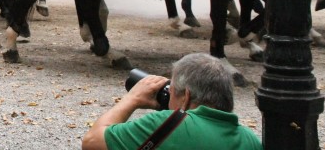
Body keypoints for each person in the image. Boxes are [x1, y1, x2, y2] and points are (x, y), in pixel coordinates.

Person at [81, 53, 262, 150]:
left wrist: (132, 99)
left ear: (187, 96)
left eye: (171, 91)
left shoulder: (168, 124)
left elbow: (91, 142)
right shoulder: (250, 141)